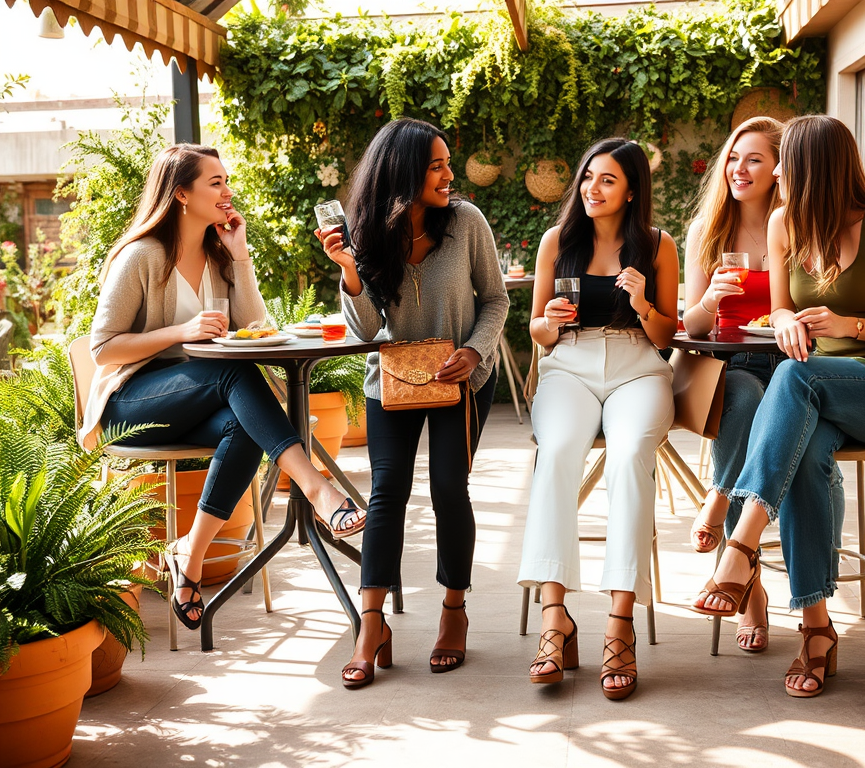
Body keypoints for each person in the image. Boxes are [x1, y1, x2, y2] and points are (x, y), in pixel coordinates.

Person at [689, 115, 865, 697]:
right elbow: (777, 315)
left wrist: (848, 323)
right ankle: (817, 629)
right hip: (817, 392)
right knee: (802, 453)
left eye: (786, 166)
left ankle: (741, 543)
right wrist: (789, 321)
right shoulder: (782, 225)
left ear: (815, 170)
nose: (777, 175)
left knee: (795, 380)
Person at [84, 143, 366, 633]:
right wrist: (181, 332)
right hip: (130, 403)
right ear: (180, 195)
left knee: (243, 424)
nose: (227, 191)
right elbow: (103, 348)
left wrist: (240, 259)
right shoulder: (141, 257)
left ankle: (189, 556)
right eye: (215, 182)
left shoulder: (217, 256)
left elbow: (256, 329)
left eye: (225, 180)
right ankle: (316, 486)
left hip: (199, 398)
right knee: (232, 375)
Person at [319, 118, 509, 689]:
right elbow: (367, 330)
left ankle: (454, 610)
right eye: (436, 166)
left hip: (461, 377)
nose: (449, 175)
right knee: (387, 491)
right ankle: (371, 624)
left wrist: (475, 354)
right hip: (394, 381)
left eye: (448, 163)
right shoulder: (365, 233)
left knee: (449, 486)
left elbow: (496, 300)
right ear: (404, 173)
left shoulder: (467, 222)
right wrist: (350, 272)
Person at [517, 138, 679, 700]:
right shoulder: (557, 241)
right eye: (589, 176)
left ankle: (619, 622)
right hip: (570, 366)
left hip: (638, 366)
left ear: (632, 189)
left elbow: (667, 338)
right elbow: (535, 331)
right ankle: (555, 617)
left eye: (607, 179)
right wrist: (551, 322)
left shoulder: (658, 247)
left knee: (632, 452)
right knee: (558, 452)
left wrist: (643, 306)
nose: (592, 187)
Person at [682, 116, 784, 653]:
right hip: (731, 364)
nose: (739, 169)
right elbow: (691, 328)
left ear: (778, 170)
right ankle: (753, 592)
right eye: (734, 158)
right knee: (745, 401)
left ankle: (719, 501)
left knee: (774, 409)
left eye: (754, 160)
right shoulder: (708, 231)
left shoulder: (795, 224)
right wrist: (713, 300)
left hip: (790, 362)